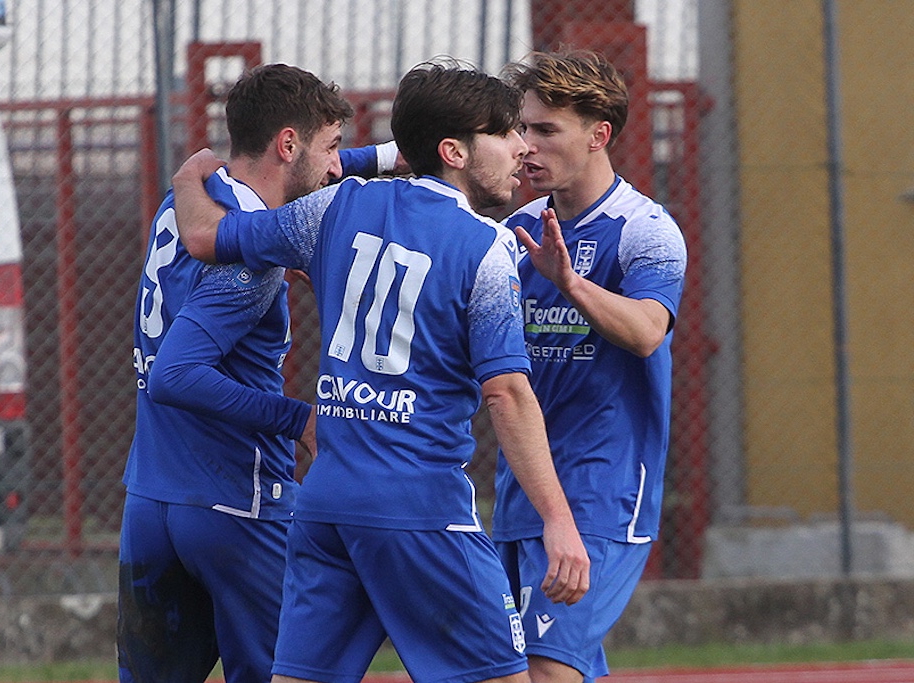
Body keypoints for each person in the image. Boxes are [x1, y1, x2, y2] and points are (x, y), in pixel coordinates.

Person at [171, 60, 591, 683]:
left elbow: (205, 236)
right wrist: (559, 520)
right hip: (421, 509)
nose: (521, 148)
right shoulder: (486, 246)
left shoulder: (336, 209)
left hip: (328, 507)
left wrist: (185, 178)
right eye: (504, 134)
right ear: (453, 151)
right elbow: (507, 395)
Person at [118, 63, 403, 683]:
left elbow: (309, 174)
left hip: (151, 499)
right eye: (331, 148)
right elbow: (176, 374)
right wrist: (299, 418)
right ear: (288, 144)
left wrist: (393, 153)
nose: (337, 166)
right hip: (235, 503)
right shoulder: (252, 257)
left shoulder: (190, 206)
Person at [491, 51, 688, 683]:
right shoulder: (514, 232)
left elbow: (647, 331)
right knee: (529, 666)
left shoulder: (645, 230)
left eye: (545, 130)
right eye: (521, 129)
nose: (525, 146)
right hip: (524, 490)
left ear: (598, 135)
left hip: (603, 493)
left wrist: (572, 285)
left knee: (547, 668)